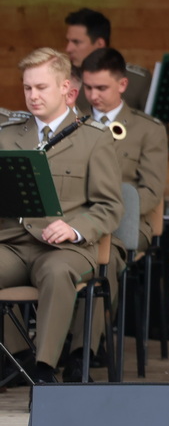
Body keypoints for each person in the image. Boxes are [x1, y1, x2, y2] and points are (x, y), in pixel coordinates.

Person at [0, 48, 122, 384]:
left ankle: (43, 369)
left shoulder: (94, 139)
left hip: (65, 249)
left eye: (41, 87)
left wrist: (74, 228)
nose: (33, 96)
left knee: (56, 273)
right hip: (11, 245)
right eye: (27, 88)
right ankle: (17, 355)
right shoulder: (7, 136)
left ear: (66, 89)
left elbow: (110, 206)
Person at [67, 48, 169, 379]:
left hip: (129, 222)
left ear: (123, 84)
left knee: (105, 260)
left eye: (102, 88)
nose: (93, 96)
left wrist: (104, 210)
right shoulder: (72, 122)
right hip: (75, 220)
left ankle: (81, 351)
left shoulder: (148, 129)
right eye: (88, 88)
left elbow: (151, 193)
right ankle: (32, 348)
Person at [63, 8, 151, 111]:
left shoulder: (137, 81)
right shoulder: (63, 80)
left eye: (76, 42)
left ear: (100, 44)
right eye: (68, 41)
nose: (68, 49)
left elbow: (155, 124)